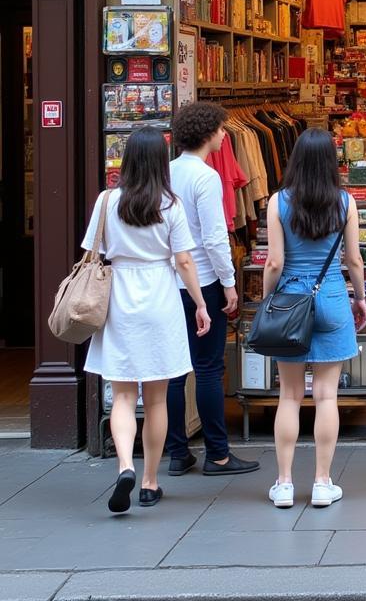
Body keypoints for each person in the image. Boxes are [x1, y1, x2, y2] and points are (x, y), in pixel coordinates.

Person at [81, 126, 211, 514]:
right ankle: (151, 481)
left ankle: (125, 465)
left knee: (123, 393)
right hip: (160, 293)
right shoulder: (170, 205)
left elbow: (93, 251)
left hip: (120, 296)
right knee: (156, 398)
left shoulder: (108, 201)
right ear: (160, 162)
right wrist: (201, 303)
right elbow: (184, 260)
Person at [263, 128, 366, 509]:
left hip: (291, 296)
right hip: (333, 296)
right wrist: (360, 298)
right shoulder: (345, 201)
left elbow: (274, 262)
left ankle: (285, 483)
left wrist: (267, 298)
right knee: (327, 395)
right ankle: (323, 482)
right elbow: (354, 259)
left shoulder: (279, 202)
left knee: (289, 395)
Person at [166, 102, 259, 477]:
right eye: (221, 129)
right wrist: (229, 282)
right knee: (207, 367)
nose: (225, 135)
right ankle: (218, 454)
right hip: (202, 280)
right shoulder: (206, 177)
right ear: (207, 133)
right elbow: (215, 237)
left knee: (174, 371)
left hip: (170, 282)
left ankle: (176, 451)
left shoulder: (166, 173)